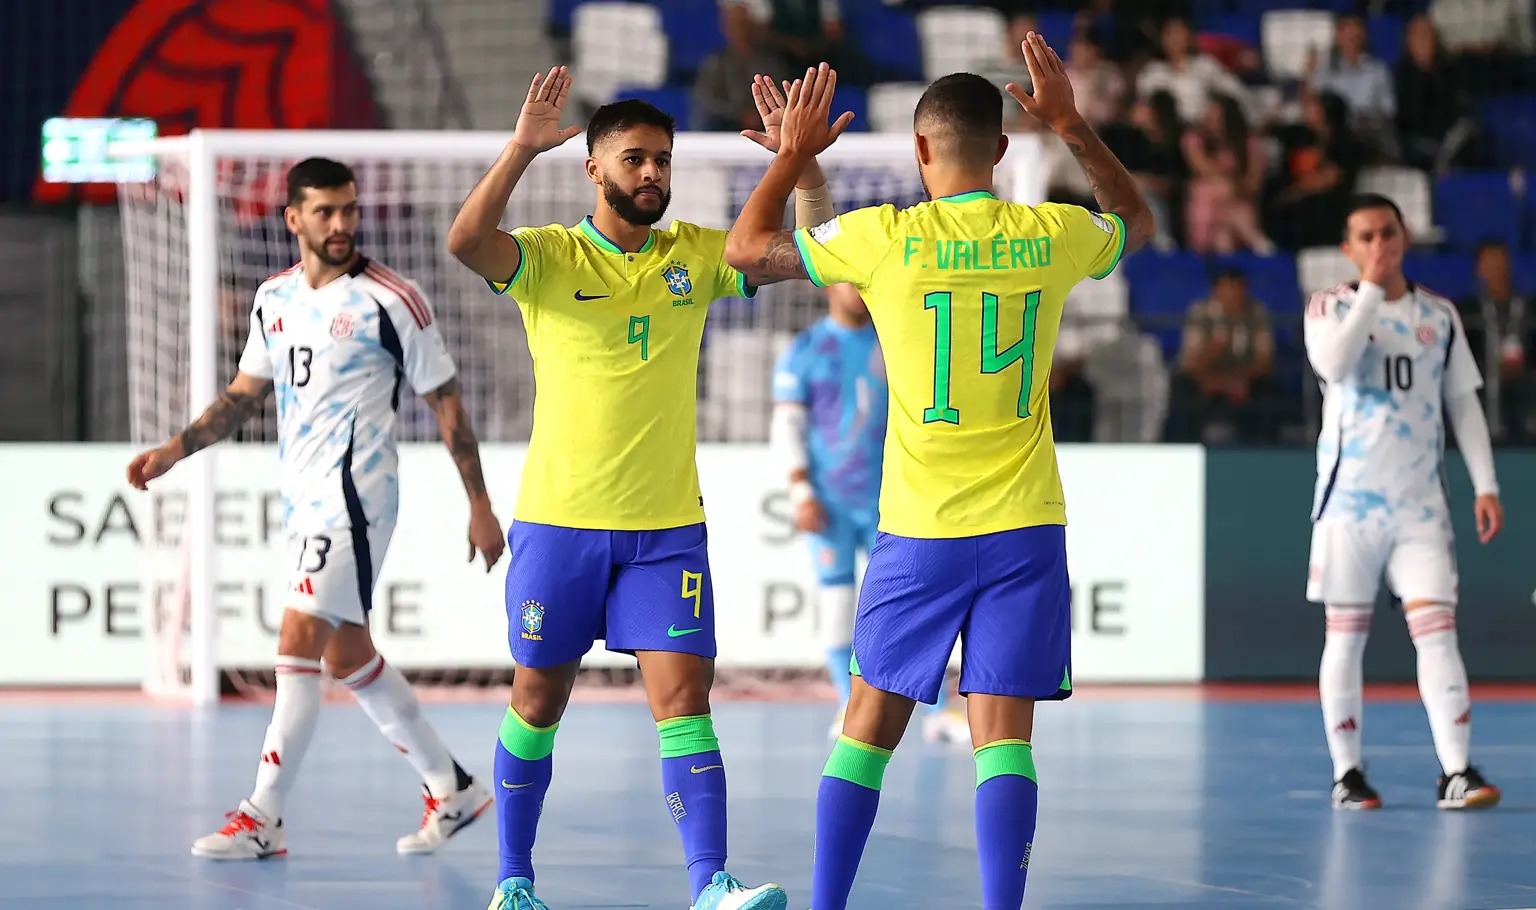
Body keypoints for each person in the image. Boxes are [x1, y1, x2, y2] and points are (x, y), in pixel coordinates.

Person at [725, 38, 1153, 910]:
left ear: (919, 152)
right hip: (1024, 528)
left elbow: (745, 250)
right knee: (1004, 743)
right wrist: (1070, 124)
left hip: (920, 531)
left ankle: (827, 906)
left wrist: (797, 158)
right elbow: (1135, 221)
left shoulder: (888, 239)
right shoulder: (1053, 233)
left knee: (866, 735)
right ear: (1001, 152)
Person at [444, 66, 834, 910]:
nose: (652, 174)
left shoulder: (699, 252)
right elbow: (467, 242)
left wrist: (802, 167)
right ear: (593, 167)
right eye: (634, 160)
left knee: (686, 699)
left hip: (666, 533)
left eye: (662, 160)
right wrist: (519, 149)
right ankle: (514, 882)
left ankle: (711, 885)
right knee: (537, 700)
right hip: (559, 526)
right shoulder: (548, 256)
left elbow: (815, 254)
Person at [127, 157, 506, 859]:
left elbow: (446, 401)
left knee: (297, 637)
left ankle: (262, 816)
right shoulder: (273, 299)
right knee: (348, 655)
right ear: (292, 220)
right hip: (301, 498)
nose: (340, 225)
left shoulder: (393, 299)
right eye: (325, 212)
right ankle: (451, 786)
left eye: (349, 210)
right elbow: (245, 397)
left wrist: (479, 505)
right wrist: (173, 452)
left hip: (357, 499)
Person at [1304, 193, 1505, 811]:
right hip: (1348, 508)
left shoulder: (1439, 316)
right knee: (1345, 638)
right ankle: (1348, 775)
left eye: (1387, 233)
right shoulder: (1330, 307)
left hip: (1420, 506)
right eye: (1364, 237)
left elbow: (1464, 403)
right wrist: (1368, 290)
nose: (1378, 246)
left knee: (1438, 634)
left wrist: (1486, 483)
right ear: (1348, 248)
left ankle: (1457, 771)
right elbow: (1335, 366)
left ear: (1405, 236)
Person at [769, 283, 969, 744]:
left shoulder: (897, 342)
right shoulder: (805, 351)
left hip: (896, 502)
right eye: (846, 279)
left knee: (911, 607)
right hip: (832, 505)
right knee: (838, 606)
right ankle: (846, 703)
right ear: (826, 286)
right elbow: (787, 426)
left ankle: (939, 709)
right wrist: (801, 492)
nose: (856, 290)